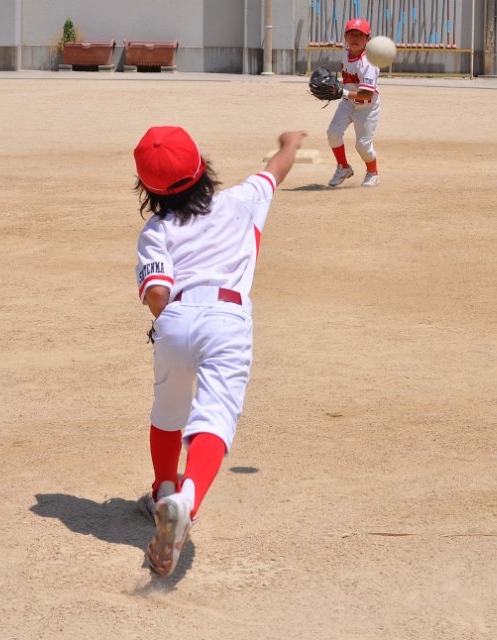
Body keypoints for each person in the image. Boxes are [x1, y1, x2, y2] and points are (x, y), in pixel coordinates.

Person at [132, 126, 306, 577]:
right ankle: (185, 502)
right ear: (203, 167)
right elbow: (276, 170)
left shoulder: (156, 229)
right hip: (227, 317)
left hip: (176, 316)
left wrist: (171, 326)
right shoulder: (242, 200)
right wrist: (290, 143)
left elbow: (157, 294)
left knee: (168, 409)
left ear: (148, 191)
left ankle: (163, 490)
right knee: (215, 415)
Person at [326, 18, 382, 188]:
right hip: (348, 102)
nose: (355, 38)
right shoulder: (346, 53)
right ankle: (343, 168)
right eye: (352, 34)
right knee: (333, 133)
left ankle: (373, 173)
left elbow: (367, 94)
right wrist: (334, 86)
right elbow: (349, 81)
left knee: (362, 145)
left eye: (360, 35)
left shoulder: (369, 63)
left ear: (368, 39)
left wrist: (341, 92)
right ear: (345, 37)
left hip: (367, 107)